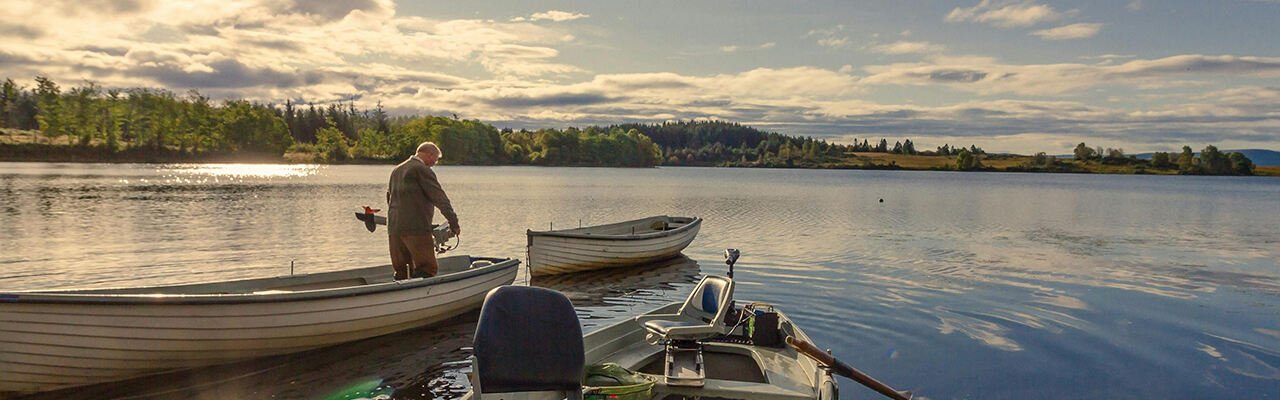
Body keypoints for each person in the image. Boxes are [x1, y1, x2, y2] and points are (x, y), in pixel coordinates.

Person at [387, 142, 461, 279]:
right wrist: (453, 222)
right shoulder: (422, 170)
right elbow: (440, 198)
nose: (435, 163)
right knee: (428, 267)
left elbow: (389, 199)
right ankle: (423, 297)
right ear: (429, 154)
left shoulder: (397, 170)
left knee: (402, 270)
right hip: (416, 228)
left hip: (394, 227)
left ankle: (401, 296)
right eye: (436, 159)